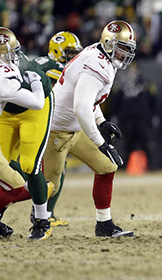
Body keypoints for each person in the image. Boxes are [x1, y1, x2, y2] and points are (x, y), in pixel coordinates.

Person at [42, 20, 137, 237]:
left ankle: (104, 224)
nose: (124, 54)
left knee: (106, 166)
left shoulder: (100, 55)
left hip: (73, 129)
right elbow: (81, 108)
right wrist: (100, 141)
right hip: (55, 130)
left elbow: (89, 102)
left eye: (127, 49)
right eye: (122, 48)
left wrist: (102, 121)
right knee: (45, 188)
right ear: (109, 43)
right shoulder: (97, 65)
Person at [0, 27, 54, 240]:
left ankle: (42, 220)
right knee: (4, 169)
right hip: (7, 110)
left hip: (33, 108)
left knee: (29, 164)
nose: (16, 57)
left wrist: (34, 83)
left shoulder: (9, 76)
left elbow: (37, 102)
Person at [32, 30, 83, 227]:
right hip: (42, 124)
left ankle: (46, 212)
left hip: (35, 121)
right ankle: (43, 212)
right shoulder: (55, 67)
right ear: (58, 50)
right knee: (32, 172)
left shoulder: (38, 62)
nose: (73, 57)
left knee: (53, 169)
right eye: (70, 52)